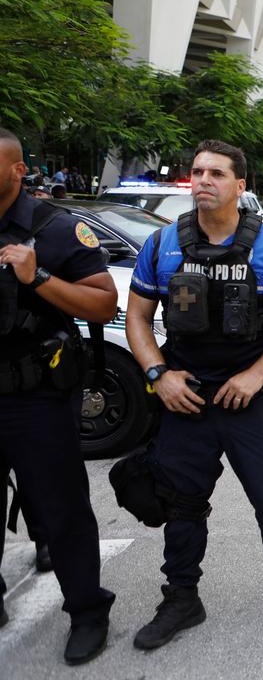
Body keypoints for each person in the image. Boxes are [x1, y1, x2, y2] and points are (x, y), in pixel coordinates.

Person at [126, 139, 263, 648]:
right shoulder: (163, 244)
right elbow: (139, 318)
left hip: (247, 396)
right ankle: (182, 598)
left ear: (240, 185)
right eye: (197, 171)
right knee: (180, 502)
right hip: (186, 395)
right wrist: (158, 376)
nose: (204, 180)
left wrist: (258, 374)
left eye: (217, 173)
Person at [0, 126, 117, 664]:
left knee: (62, 508)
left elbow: (101, 305)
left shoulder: (55, 229)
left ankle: (87, 611)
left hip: (36, 397)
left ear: (18, 169)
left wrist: (37, 274)